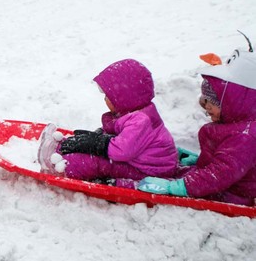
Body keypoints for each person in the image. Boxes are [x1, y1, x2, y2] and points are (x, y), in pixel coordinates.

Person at [138, 48, 256, 206]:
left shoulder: (245, 136)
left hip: (228, 195)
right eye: (206, 100)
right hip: (223, 187)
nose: (207, 107)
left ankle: (118, 184)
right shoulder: (238, 125)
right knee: (162, 167)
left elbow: (219, 175)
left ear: (236, 103)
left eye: (213, 103)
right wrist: (201, 160)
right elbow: (225, 162)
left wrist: (177, 187)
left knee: (161, 178)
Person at [38, 59, 178, 185]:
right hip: (140, 161)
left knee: (96, 162)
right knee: (89, 146)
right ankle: (57, 148)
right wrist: (97, 137)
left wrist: (97, 143)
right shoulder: (135, 111)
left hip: (148, 171)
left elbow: (121, 151)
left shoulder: (140, 121)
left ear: (124, 97)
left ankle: (60, 167)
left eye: (108, 96)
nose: (105, 99)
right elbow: (121, 135)